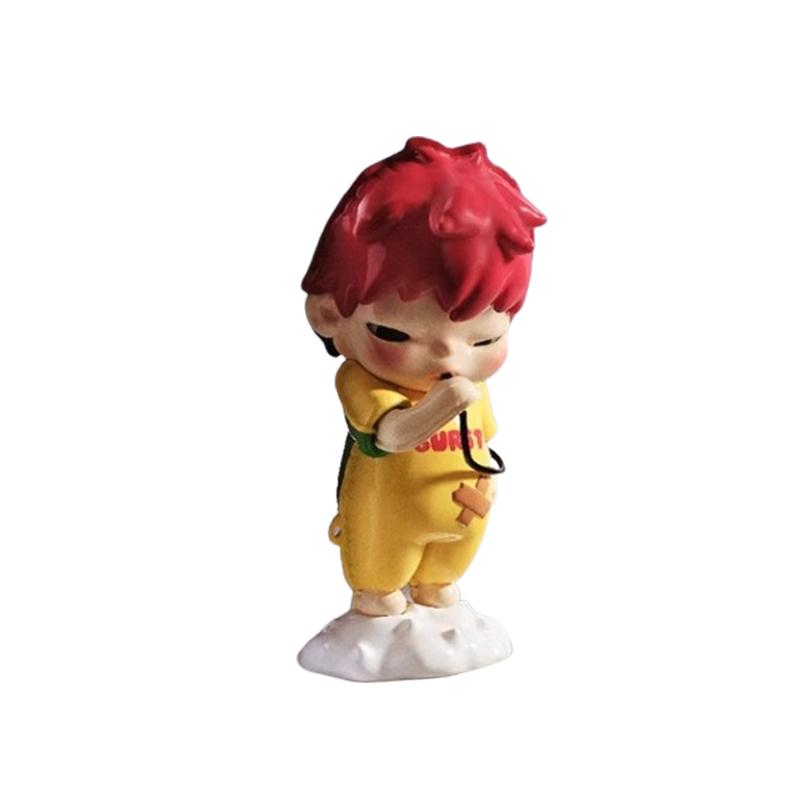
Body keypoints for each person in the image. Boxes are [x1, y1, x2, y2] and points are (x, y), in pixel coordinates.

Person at [302, 137, 546, 616]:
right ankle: (375, 597)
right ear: (329, 316)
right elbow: (389, 436)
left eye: (484, 340)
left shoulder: (475, 388)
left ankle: (437, 583)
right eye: (395, 334)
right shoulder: (366, 383)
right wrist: (443, 404)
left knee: (443, 587)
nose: (451, 358)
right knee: (381, 590)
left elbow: (483, 438)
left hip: (465, 510)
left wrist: (484, 481)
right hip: (387, 513)